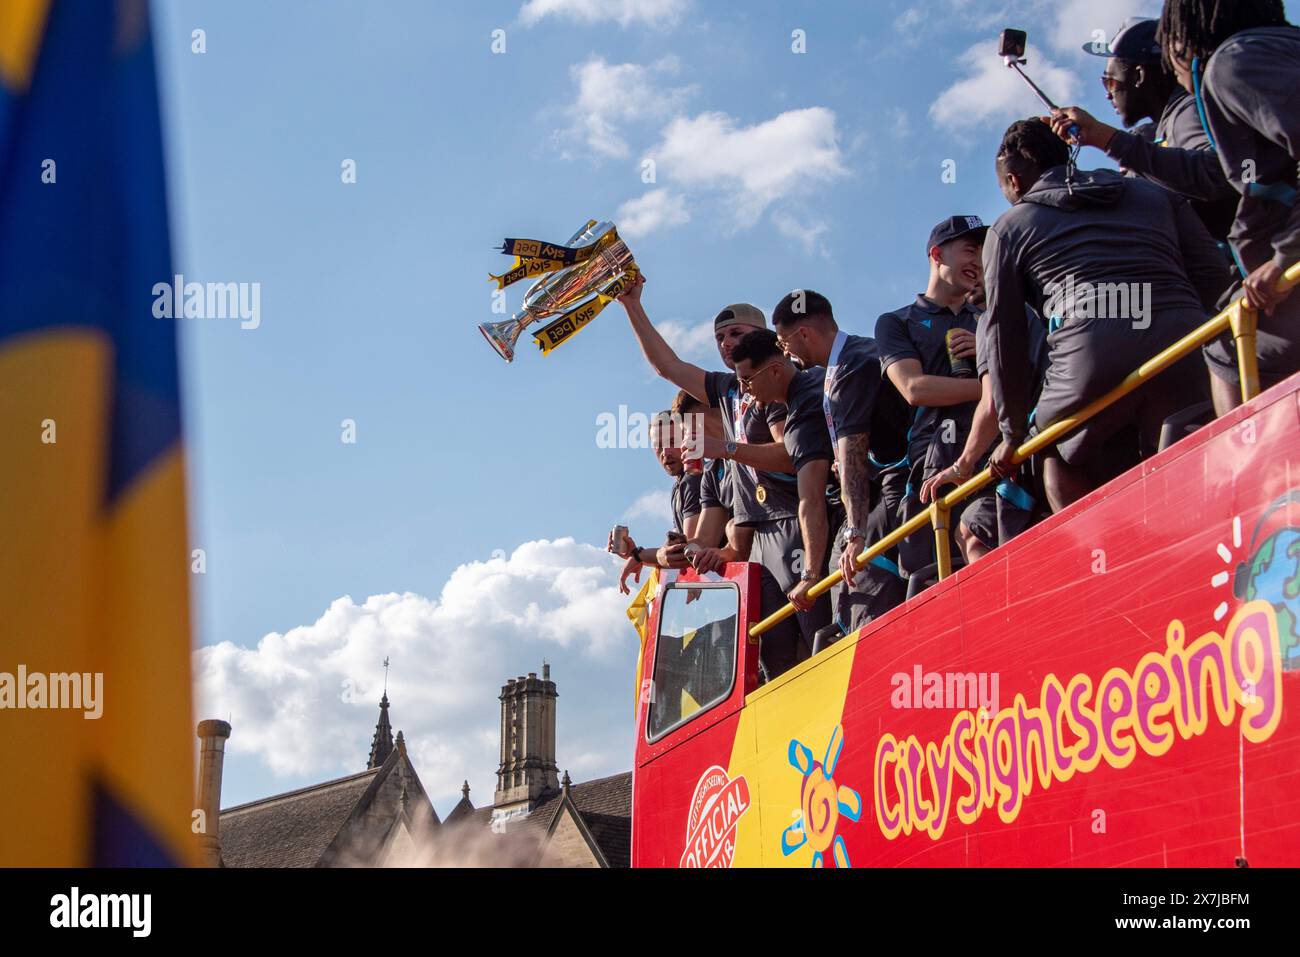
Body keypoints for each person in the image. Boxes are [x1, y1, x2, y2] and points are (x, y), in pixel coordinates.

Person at [983, 118, 1232, 510]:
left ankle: (1107, 564)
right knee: (1178, 418)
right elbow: (1212, 274)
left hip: (1090, 360)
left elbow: (1004, 340)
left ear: (1013, 181)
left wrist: (1013, 433)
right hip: (1184, 339)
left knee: (1050, 448)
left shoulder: (1009, 227)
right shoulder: (1154, 192)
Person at [616, 274, 812, 672]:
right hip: (763, 543)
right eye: (719, 337)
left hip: (805, 522)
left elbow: (794, 456)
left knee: (822, 639)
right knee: (777, 663)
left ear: (765, 336)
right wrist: (632, 305)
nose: (726, 343)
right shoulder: (728, 391)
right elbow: (667, 366)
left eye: (736, 333)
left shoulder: (787, 382)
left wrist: (726, 449)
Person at [1156, 0, 1300, 415]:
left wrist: (1284, 257)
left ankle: (1255, 474)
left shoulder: (1234, 62)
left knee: (1225, 342)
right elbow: (1212, 176)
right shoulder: (1276, 48)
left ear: (1184, 38)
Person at [770, 289, 908, 633]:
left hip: (897, 487)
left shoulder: (849, 367)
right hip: (893, 480)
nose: (784, 351)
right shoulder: (857, 351)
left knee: (852, 572)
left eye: (784, 341)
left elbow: (853, 459)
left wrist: (856, 532)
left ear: (804, 334)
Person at [1051, 17, 1237, 244]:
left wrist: (1106, 138)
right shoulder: (1168, 124)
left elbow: (1218, 173)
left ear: (1139, 76)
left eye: (1110, 82)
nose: (1108, 95)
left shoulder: (1187, 111)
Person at [875, 217, 986, 579]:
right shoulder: (896, 322)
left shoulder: (990, 317)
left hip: (994, 449)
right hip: (931, 463)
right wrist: (992, 387)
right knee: (929, 577)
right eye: (970, 250)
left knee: (989, 544)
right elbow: (914, 389)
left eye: (984, 253)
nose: (979, 262)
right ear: (936, 254)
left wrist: (986, 347)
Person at [920, 282, 1050, 560]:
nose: (972, 278)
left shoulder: (995, 317)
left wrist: (961, 465)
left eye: (981, 258)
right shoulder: (1040, 306)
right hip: (1064, 424)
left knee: (971, 529)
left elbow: (992, 403)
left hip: (1039, 439)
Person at [728, 329, 836, 643]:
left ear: (775, 369)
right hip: (831, 514)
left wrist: (811, 574)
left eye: (747, 381)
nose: (745, 391)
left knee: (830, 633)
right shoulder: (812, 382)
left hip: (844, 513)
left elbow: (810, 498)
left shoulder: (802, 409)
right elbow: (669, 368)